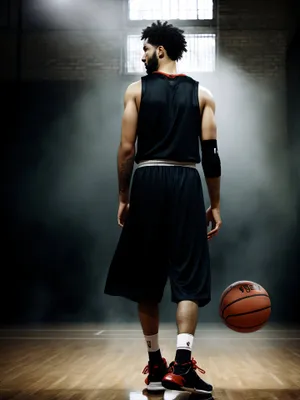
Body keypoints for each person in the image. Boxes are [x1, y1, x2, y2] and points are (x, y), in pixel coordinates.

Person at [104, 20, 222, 395]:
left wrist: (124, 196)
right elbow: (212, 156)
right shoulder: (202, 94)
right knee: (188, 276)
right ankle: (182, 366)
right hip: (187, 182)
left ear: (160, 50)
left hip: (149, 179)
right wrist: (214, 203)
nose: (141, 55)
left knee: (145, 277)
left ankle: (157, 365)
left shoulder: (135, 90)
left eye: (145, 48)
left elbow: (126, 150)